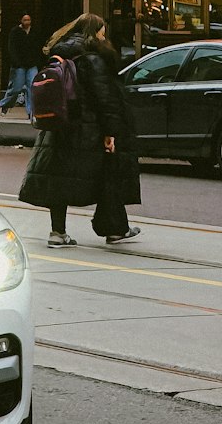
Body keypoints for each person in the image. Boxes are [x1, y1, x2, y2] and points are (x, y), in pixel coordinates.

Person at [19, 13, 141, 248]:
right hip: (88, 129)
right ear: (95, 32)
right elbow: (105, 99)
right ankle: (115, 229)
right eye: (102, 32)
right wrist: (110, 132)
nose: (104, 36)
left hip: (58, 126)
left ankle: (58, 233)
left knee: (58, 180)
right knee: (109, 174)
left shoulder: (59, 54)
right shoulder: (93, 58)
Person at [0, 14, 42, 119]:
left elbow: (37, 46)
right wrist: (16, 62)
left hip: (31, 64)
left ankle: (31, 111)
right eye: (25, 20)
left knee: (32, 87)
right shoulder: (15, 32)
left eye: (29, 20)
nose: (27, 22)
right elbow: (11, 48)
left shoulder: (34, 32)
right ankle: (5, 104)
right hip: (19, 65)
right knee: (16, 88)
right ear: (21, 20)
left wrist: (37, 60)